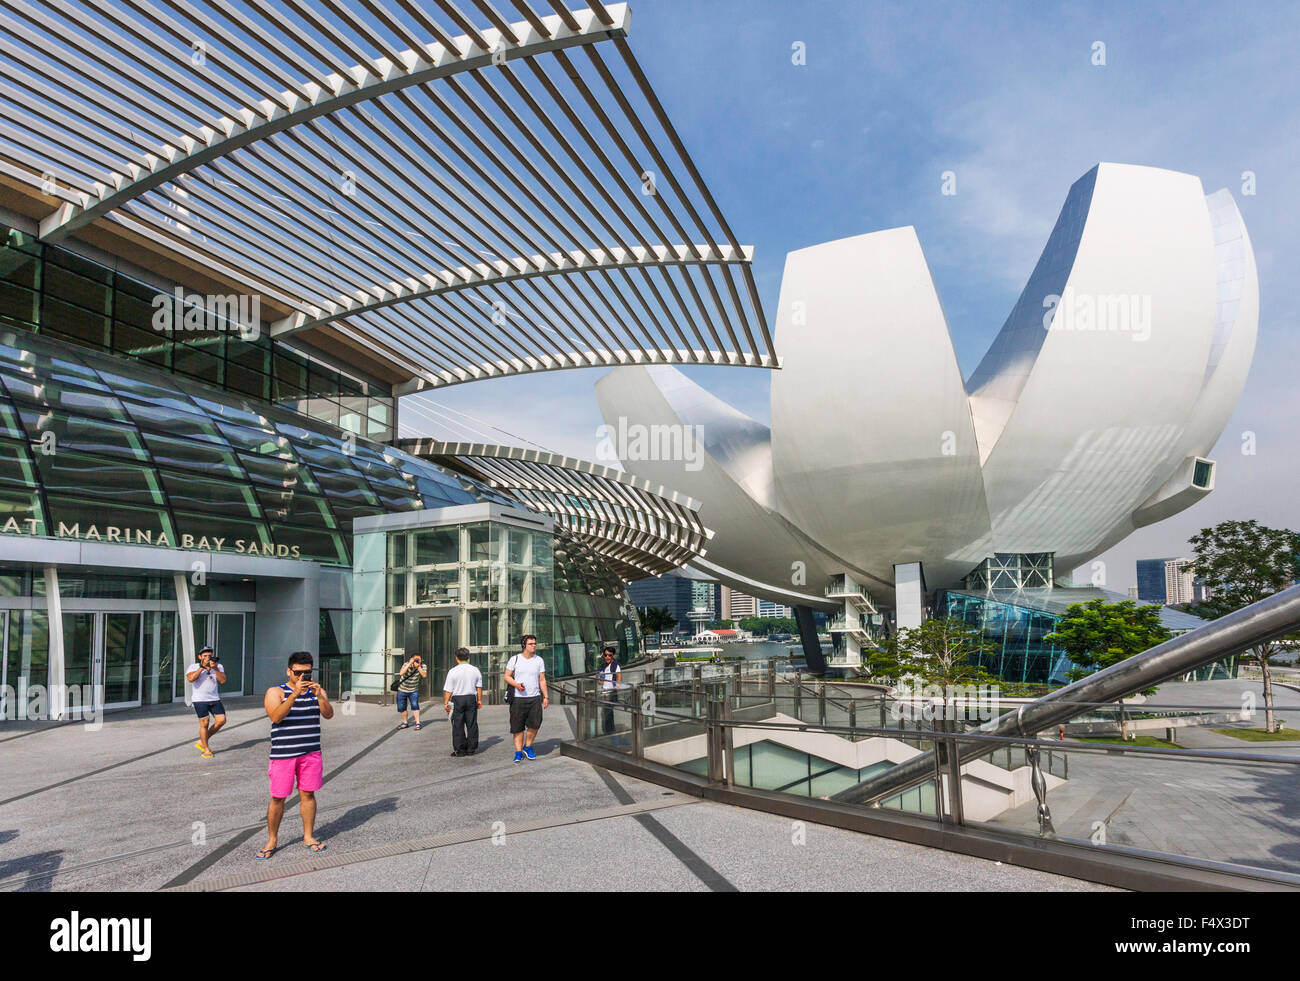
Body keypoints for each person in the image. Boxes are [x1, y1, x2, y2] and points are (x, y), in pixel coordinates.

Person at [258, 651, 333, 859]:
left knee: (308, 795)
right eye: (298, 672)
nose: (303, 677)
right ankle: (272, 839)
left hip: (310, 752)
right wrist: (294, 694)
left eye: (307, 672)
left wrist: (320, 696)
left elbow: (328, 714)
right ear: (289, 671)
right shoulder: (276, 692)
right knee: (278, 797)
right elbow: (276, 716)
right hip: (283, 755)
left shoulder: (316, 690)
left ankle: (308, 836)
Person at [504, 635, 548, 764]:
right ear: (524, 645)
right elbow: (507, 676)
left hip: (534, 698)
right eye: (531, 644)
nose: (534, 646)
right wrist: (516, 684)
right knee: (517, 727)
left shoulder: (539, 660)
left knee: (535, 724)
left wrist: (545, 696)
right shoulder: (515, 659)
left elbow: (542, 679)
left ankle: (527, 746)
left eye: (535, 643)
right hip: (518, 699)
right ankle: (518, 752)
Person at [442, 647, 483, 757]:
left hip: (458, 699)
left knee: (458, 725)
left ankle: (460, 750)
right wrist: (479, 700)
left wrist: (446, 703)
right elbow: (479, 687)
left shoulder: (453, 671)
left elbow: (448, 690)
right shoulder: (475, 670)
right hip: (471, 698)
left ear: (456, 658)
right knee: (472, 723)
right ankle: (471, 748)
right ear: (468, 657)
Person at [186, 645, 226, 758]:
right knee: (204, 723)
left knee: (221, 720)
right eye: (205, 656)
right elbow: (191, 679)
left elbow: (222, 680)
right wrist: (201, 668)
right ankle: (206, 749)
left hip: (214, 699)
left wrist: (216, 668)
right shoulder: (193, 666)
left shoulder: (218, 666)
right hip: (200, 700)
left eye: (209, 655)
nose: (208, 658)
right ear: (200, 657)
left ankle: (201, 741)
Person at [394, 654, 427, 730]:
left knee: (415, 706)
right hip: (402, 689)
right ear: (411, 659)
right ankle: (405, 722)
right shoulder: (406, 664)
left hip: (413, 690)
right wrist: (409, 664)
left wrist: (418, 667)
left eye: (420, 660)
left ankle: (418, 723)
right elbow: (401, 673)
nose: (419, 661)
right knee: (402, 707)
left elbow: (424, 675)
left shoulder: (423, 666)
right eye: (416, 660)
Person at [598, 644, 622, 735]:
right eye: (605, 655)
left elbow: (619, 677)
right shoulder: (604, 666)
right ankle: (609, 730)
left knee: (607, 713)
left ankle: (609, 731)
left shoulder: (615, 665)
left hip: (611, 692)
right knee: (607, 713)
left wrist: (616, 687)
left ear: (613, 656)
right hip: (605, 692)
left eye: (609, 655)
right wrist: (600, 681)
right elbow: (601, 679)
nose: (607, 657)